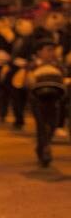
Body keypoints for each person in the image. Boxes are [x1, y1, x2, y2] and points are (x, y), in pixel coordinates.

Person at [27, 30, 67, 167]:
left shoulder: (58, 65)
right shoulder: (33, 65)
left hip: (54, 100)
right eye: (48, 50)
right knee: (42, 125)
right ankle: (45, 151)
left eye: (53, 50)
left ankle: (42, 147)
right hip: (38, 100)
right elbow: (26, 81)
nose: (52, 53)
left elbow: (65, 77)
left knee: (53, 125)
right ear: (39, 52)